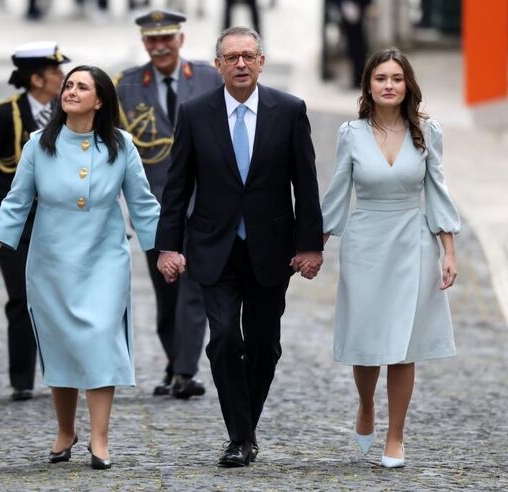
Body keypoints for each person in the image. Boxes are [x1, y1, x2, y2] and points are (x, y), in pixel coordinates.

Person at [155, 26, 324, 467]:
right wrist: (167, 247)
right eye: (231, 57)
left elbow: (306, 183)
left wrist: (310, 245)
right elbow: (177, 186)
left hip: (271, 248)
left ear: (262, 62)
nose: (241, 64)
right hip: (215, 247)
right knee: (225, 337)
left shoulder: (289, 110)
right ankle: (241, 437)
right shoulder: (195, 113)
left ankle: (243, 432)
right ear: (218, 66)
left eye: (249, 56)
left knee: (265, 345)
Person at [0, 65, 159, 469]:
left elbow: (142, 202)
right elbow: (17, 201)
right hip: (51, 261)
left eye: (82, 87)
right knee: (62, 343)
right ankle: (65, 431)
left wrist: (165, 250)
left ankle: (100, 439)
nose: (70, 91)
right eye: (69, 85)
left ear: (99, 100)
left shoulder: (122, 145)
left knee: (101, 339)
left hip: (105, 258)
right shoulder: (38, 144)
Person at [319, 47, 460, 468]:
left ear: (407, 85)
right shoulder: (351, 133)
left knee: (404, 343)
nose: (389, 85)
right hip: (365, 243)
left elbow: (437, 190)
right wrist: (315, 245)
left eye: (397, 78)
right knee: (365, 340)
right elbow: (338, 192)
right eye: (381, 78)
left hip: (412, 242)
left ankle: (396, 435)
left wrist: (449, 251)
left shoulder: (427, 131)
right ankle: (366, 406)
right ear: (368, 85)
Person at [115, 9, 222, 400]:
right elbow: (115, 147)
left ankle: (185, 371)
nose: (160, 46)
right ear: (144, 43)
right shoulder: (127, 85)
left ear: (181, 39)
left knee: (195, 290)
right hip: (154, 209)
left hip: (205, 203)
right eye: (152, 40)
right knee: (167, 294)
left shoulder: (209, 77)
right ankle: (175, 363)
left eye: (167, 38)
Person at [0, 41, 70, 402]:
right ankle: (22, 379)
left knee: (63, 299)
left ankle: (65, 373)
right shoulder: (3, 117)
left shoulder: (71, 113)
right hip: (16, 227)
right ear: (36, 79)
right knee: (21, 298)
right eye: (56, 72)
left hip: (61, 224)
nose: (63, 78)